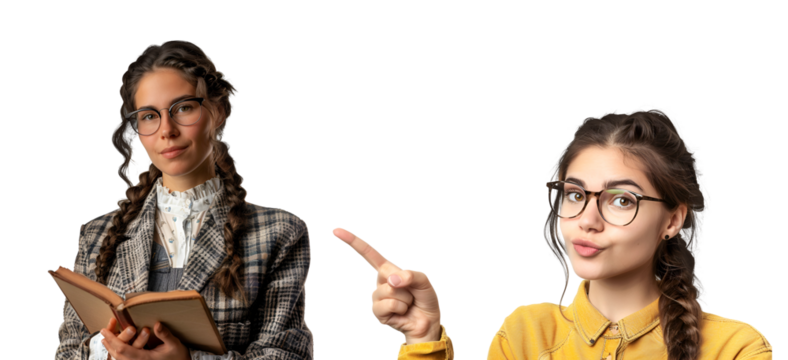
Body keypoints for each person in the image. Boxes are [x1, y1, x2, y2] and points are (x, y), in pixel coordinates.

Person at [333, 103, 772, 359]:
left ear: (673, 220)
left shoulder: (734, 348)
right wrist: (424, 338)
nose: (588, 219)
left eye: (621, 200)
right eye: (576, 194)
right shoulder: (526, 332)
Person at [54, 39, 314, 360]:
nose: (167, 130)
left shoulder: (279, 232)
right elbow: (67, 349)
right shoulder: (97, 233)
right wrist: (104, 350)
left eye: (184, 108)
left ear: (217, 111)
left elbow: (287, 355)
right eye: (149, 116)